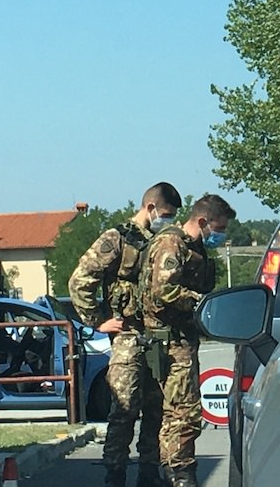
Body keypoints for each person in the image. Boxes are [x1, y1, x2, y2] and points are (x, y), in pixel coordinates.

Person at [68, 182, 183, 487]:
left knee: (157, 408)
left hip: (158, 335)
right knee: (124, 407)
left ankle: (149, 471)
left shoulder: (165, 241)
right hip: (128, 335)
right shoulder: (117, 238)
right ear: (151, 208)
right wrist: (97, 321)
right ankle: (115, 473)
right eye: (166, 214)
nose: (168, 220)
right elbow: (80, 280)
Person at [141, 193, 236, 487]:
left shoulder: (192, 248)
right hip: (171, 342)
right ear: (203, 221)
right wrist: (201, 303)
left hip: (179, 339)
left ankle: (159, 472)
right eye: (219, 228)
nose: (220, 235)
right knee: (183, 413)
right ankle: (180, 474)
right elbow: (163, 291)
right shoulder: (173, 244)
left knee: (169, 412)